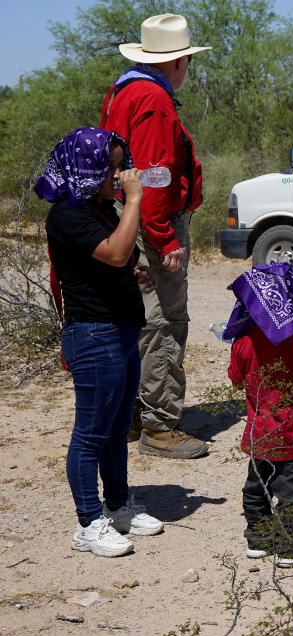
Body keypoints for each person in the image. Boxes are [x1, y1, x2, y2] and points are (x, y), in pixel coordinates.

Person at [37, 127, 164, 557]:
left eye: (120, 163)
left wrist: (134, 272)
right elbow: (112, 252)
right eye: (109, 165)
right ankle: (88, 522)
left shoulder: (101, 209)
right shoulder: (68, 214)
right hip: (93, 334)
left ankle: (118, 505)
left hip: (120, 330)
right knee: (91, 433)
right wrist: (134, 199)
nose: (120, 172)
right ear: (86, 167)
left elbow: (114, 260)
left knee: (115, 429)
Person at [100, 13, 210, 459]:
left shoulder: (122, 91)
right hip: (148, 222)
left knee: (133, 317)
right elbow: (155, 177)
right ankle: (160, 427)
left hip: (125, 218)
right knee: (164, 322)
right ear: (178, 60)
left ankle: (129, 417)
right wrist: (165, 240)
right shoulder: (154, 100)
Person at [224, 263, 293, 567]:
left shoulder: (243, 339)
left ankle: (258, 540)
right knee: (290, 489)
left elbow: (235, 378)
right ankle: (292, 547)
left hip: (259, 428)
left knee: (256, 486)